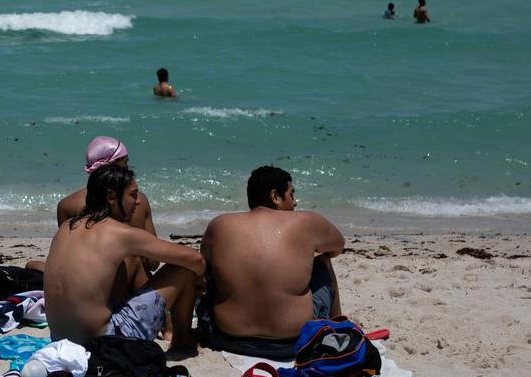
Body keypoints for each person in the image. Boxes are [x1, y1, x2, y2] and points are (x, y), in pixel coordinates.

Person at [44, 163, 203, 357]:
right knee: (183, 269)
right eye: (133, 195)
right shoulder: (119, 233)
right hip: (104, 344)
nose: (137, 202)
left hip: (60, 341)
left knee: (128, 263)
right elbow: (194, 259)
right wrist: (200, 278)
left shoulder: (66, 227)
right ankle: (182, 342)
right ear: (112, 197)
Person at [198, 165, 344, 360]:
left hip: (229, 337)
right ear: (275, 196)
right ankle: (338, 328)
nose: (295, 202)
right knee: (323, 261)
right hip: (293, 341)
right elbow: (336, 247)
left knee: (214, 271)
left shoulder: (220, 224)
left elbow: (204, 266)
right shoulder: (308, 221)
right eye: (291, 195)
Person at [56, 136, 158, 282]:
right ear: (115, 167)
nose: (128, 167)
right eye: (125, 162)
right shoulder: (138, 201)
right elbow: (153, 263)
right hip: (134, 285)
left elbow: (68, 258)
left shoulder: (66, 205)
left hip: (88, 284)